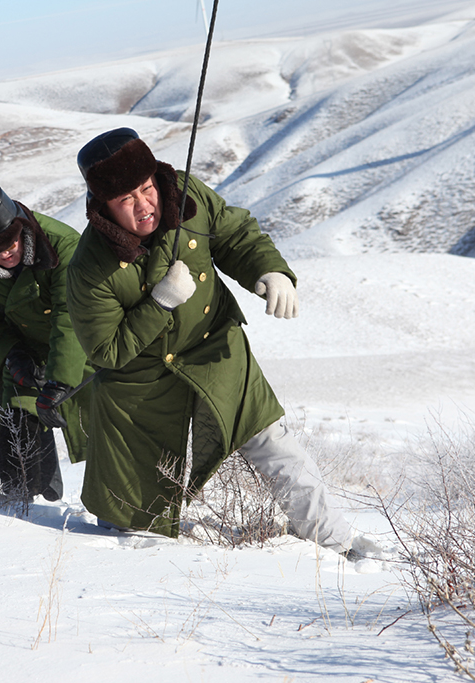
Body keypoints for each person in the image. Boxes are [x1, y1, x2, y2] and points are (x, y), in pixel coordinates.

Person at [67, 127, 365, 557]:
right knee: (132, 519)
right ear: (103, 206)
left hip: (214, 348)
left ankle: (335, 545)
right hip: (141, 383)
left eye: (147, 189)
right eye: (126, 200)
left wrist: (269, 270)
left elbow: (233, 234)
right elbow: (106, 351)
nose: (144, 205)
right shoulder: (88, 268)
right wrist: (160, 303)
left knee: (273, 443)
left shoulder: (186, 195)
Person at [0, 183, 93, 503]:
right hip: (26, 351)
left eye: (11, 243)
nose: (5, 253)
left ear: (22, 227)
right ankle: (19, 510)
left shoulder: (62, 245)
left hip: (80, 349)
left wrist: (59, 380)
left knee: (99, 431)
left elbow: (70, 315)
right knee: (17, 425)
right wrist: (11, 355)